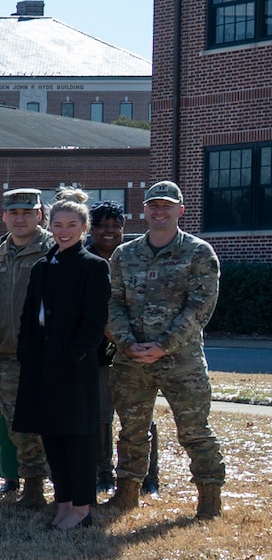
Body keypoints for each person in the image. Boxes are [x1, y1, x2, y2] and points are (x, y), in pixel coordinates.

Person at [105, 181, 225, 519]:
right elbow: (112, 303)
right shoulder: (124, 255)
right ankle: (126, 494)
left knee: (195, 430)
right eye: (154, 205)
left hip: (181, 361)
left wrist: (163, 346)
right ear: (144, 210)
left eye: (167, 206)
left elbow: (200, 308)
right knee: (131, 431)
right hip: (131, 362)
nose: (159, 211)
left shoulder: (199, 253)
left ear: (180, 211)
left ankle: (210, 500)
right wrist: (126, 343)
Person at [14, 189, 112, 530]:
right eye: (58, 225)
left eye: (72, 224)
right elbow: (29, 315)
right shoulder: (42, 266)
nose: (64, 231)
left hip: (74, 365)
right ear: (50, 226)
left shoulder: (93, 267)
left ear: (84, 227)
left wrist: (72, 353)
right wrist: (28, 353)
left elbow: (95, 321)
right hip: (41, 364)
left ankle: (82, 507)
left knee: (78, 437)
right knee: (52, 435)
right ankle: (64, 501)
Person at [0, 188, 55, 507]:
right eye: (13, 213)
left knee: (51, 423)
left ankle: (65, 485)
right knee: (18, 425)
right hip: (8, 357)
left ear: (39, 215)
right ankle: (32, 486)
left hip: (46, 356)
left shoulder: (54, 251)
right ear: (4, 216)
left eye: (27, 213)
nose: (20, 218)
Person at [86, 202, 159, 498]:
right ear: (92, 229)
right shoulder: (85, 259)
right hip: (100, 353)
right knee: (102, 416)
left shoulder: (134, 257)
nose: (109, 230)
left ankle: (148, 477)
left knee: (142, 418)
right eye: (103, 225)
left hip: (136, 351)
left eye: (116, 225)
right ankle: (103, 474)